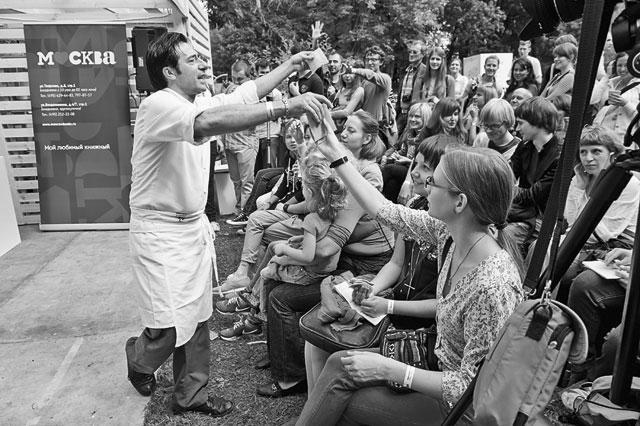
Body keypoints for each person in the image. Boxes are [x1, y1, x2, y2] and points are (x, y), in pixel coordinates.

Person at [124, 31, 329, 417]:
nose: (203, 64)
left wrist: (290, 65)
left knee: (198, 317)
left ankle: (191, 395)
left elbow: (245, 94)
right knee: (170, 327)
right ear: (169, 72)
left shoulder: (194, 101)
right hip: (160, 233)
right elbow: (207, 123)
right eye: (192, 60)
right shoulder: (159, 105)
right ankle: (138, 358)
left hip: (191, 230)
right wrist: (285, 107)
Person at [297, 115, 524, 424]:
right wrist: (334, 150)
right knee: (340, 363)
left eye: (433, 182)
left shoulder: (492, 286)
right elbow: (384, 210)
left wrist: (392, 370)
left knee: (342, 397)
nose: (424, 186)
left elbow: (474, 388)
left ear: (459, 203)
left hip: (459, 410)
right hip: (435, 363)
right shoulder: (450, 233)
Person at [304, 135, 461, 392]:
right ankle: (316, 401)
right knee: (315, 339)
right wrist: (372, 288)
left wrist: (387, 305)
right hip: (393, 304)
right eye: (416, 164)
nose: (416, 173)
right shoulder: (416, 205)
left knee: (333, 353)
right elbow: (396, 264)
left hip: (417, 325)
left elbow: (444, 307)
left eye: (426, 168)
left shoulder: (452, 230)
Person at [255, 110, 390, 398]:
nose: (343, 135)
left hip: (366, 267)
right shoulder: (336, 181)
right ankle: (282, 351)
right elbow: (319, 224)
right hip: (345, 258)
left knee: (280, 297)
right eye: (342, 130)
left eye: (350, 130)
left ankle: (291, 377)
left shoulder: (357, 185)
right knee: (276, 283)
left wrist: (288, 250)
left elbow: (327, 248)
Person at [554, 125, 639, 304]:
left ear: (612, 154)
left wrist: (586, 198)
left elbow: (602, 234)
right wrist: (579, 186)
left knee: (561, 267)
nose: (588, 158)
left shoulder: (628, 182)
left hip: (612, 245)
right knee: (538, 249)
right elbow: (570, 219)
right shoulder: (581, 178)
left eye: (596, 151)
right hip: (584, 241)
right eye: (583, 152)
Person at [261, 158, 347, 286]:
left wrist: (284, 249)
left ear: (309, 192)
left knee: (267, 270)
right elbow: (321, 236)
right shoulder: (334, 212)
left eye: (303, 187)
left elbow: (307, 256)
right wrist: (302, 238)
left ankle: (256, 297)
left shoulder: (311, 219)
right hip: (327, 268)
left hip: (308, 273)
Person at [226, 119, 303, 229]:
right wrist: (270, 203)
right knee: (261, 175)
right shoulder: (290, 156)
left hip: (299, 205)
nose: (293, 141)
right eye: (289, 137)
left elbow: (302, 192)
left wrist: (284, 206)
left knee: (261, 178)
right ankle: (248, 215)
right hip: (289, 196)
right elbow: (285, 183)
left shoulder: (307, 159)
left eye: (296, 137)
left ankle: (248, 216)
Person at [506, 97, 560, 249]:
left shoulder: (559, 157)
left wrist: (506, 190)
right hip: (520, 210)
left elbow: (533, 196)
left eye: (521, 123)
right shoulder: (524, 146)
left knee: (502, 236)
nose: (517, 128)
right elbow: (507, 175)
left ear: (537, 121)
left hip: (541, 219)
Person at [223, 59, 259, 213]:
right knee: (236, 182)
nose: (236, 83)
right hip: (229, 142)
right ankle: (239, 211)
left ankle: (246, 214)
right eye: (233, 79)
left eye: (240, 79)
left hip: (246, 142)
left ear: (249, 77)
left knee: (247, 183)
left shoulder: (253, 92)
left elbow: (253, 117)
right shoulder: (229, 91)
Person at [381, 102, 431, 202]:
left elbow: (424, 163)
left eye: (417, 117)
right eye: (411, 116)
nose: (412, 119)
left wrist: (406, 160)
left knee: (389, 169)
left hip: (415, 172)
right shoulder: (408, 131)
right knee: (392, 183)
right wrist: (387, 155)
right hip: (403, 167)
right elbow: (396, 146)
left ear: (425, 118)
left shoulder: (427, 138)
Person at [594, 52, 640, 142]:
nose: (622, 69)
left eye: (626, 65)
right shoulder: (609, 82)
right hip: (603, 135)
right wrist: (607, 76)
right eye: (619, 65)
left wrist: (625, 104)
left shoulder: (638, 86)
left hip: (624, 138)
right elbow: (593, 99)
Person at [254, 59, 284, 171]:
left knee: (270, 169)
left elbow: (276, 116)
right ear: (256, 73)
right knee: (257, 170)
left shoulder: (276, 94)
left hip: (271, 135)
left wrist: (270, 100)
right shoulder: (252, 93)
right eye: (262, 73)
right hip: (255, 136)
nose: (265, 76)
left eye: (267, 72)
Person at [396, 40, 427, 133]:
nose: (411, 54)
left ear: (422, 54)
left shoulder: (425, 71)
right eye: (410, 52)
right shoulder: (406, 70)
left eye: (415, 52)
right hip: (401, 113)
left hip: (415, 115)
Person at [330, 58, 365, 132]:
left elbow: (347, 112)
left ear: (356, 75)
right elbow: (333, 106)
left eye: (350, 73)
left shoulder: (359, 90)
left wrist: (328, 115)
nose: (347, 76)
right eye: (345, 73)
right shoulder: (341, 90)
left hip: (350, 128)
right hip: (336, 127)